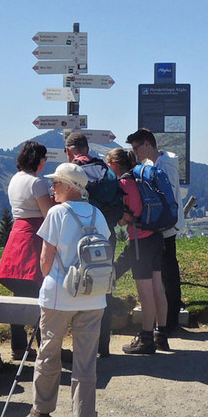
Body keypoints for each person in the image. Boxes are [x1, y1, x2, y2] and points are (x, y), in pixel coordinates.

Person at [30, 162, 109, 417]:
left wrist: (49, 281)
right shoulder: (97, 214)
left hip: (58, 296)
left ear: (69, 186)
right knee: (85, 361)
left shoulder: (57, 213)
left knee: (49, 352)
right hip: (94, 295)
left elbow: (45, 259)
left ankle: (42, 409)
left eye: (56, 183)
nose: (52, 188)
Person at [64, 131, 123, 356]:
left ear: (68, 151)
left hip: (81, 236)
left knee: (79, 284)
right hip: (106, 234)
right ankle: (103, 345)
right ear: (87, 149)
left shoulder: (73, 171)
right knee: (103, 283)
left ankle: (82, 346)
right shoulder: (103, 168)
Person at [0, 141, 53, 360]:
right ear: (37, 159)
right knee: (40, 294)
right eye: (44, 158)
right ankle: (44, 347)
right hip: (33, 237)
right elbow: (48, 213)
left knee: (18, 295)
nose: (45, 162)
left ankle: (18, 347)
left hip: (17, 234)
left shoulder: (15, 179)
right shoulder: (36, 183)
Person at [107, 147, 168, 354]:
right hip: (156, 236)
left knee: (145, 291)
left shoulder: (124, 184)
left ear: (113, 165)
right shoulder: (141, 179)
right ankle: (161, 335)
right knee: (157, 287)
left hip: (140, 240)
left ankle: (146, 339)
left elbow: (125, 219)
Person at [127, 127, 186, 336]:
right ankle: (166, 322)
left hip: (165, 226)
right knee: (164, 274)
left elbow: (166, 198)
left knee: (168, 274)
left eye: (137, 148)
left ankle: (170, 321)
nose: (136, 153)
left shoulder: (165, 166)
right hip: (163, 225)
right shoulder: (154, 164)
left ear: (147, 144)